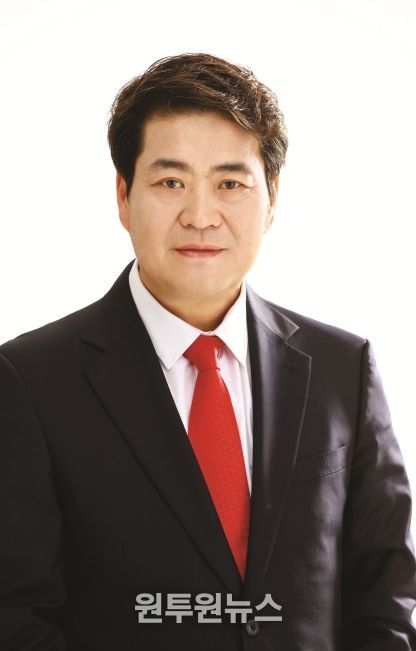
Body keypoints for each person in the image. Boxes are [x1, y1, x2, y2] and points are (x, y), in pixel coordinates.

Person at [0, 52, 415, 651]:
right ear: (124, 195)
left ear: (271, 198)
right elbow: (16, 616)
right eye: (171, 182)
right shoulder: (29, 381)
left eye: (230, 183)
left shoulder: (341, 368)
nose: (200, 216)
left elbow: (388, 598)